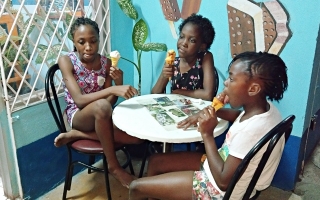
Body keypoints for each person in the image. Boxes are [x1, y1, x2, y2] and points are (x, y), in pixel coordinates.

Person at [128, 51, 288, 199]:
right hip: (221, 165)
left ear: (253, 89)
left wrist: (207, 135)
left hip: (219, 190)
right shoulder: (265, 110)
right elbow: (240, 116)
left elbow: (223, 182)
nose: (225, 83)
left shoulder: (251, 132)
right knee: (156, 160)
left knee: (136, 187)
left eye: (231, 79)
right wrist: (214, 110)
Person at [54, 17, 142, 188]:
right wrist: (111, 90)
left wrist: (118, 81)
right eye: (81, 42)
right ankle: (114, 166)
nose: (88, 47)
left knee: (137, 138)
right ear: (74, 42)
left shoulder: (105, 62)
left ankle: (78, 135)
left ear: (98, 40)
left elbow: (111, 100)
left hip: (101, 117)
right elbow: (79, 101)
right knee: (102, 106)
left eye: (93, 41)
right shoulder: (67, 61)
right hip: (78, 116)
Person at [151, 13, 216, 101]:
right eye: (181, 37)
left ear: (202, 46)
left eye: (192, 40)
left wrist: (179, 92)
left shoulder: (205, 57)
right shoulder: (173, 62)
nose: (184, 43)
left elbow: (208, 95)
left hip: (199, 112)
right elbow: (153, 95)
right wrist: (164, 75)